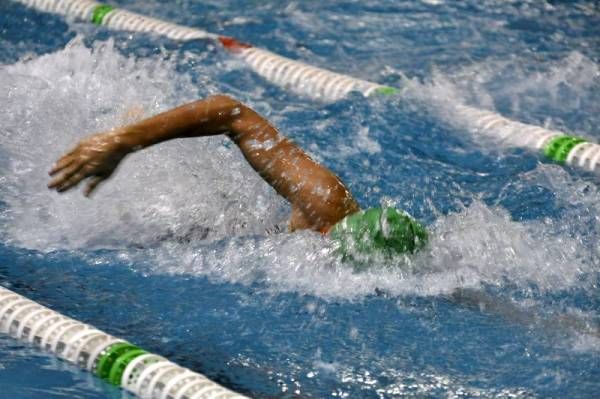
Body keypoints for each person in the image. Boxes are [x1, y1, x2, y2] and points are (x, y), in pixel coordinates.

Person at [48, 95, 427, 262]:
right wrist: (124, 141)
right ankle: (119, 122)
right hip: (216, 228)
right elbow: (231, 113)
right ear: (331, 233)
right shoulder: (325, 200)